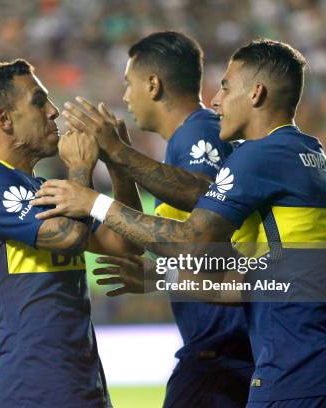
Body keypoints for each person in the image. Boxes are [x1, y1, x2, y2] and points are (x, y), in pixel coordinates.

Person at [31, 39, 326, 407]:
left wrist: (94, 202)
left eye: (226, 87)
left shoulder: (261, 156)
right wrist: (158, 277)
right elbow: (256, 281)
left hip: (298, 375)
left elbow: (192, 241)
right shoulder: (310, 153)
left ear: (256, 93)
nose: (215, 101)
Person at [63, 31, 253, 407]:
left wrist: (107, 172)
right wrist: (117, 159)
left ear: (153, 84)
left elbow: (205, 195)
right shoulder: (182, 142)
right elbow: (186, 244)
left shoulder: (198, 131)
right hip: (222, 349)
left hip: (225, 351)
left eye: (128, 84)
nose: (126, 96)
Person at [0, 59, 142, 408]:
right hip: (35, 393)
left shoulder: (45, 189)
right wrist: (80, 168)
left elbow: (125, 244)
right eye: (39, 102)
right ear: (4, 120)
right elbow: (68, 237)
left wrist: (118, 161)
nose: (54, 112)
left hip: (85, 391)